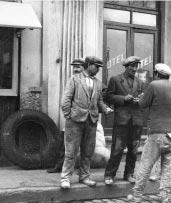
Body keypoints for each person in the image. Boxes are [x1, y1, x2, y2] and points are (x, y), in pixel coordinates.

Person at [127, 63, 171, 203]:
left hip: (156, 132)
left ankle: (137, 194)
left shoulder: (154, 85)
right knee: (167, 166)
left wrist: (139, 98)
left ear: (157, 74)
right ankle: (164, 196)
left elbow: (142, 104)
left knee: (146, 163)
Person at [60, 56, 112, 189]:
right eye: (96, 66)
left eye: (99, 67)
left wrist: (105, 109)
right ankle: (65, 178)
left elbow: (99, 100)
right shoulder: (74, 79)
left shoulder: (98, 83)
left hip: (91, 121)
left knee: (88, 151)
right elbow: (66, 99)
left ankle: (84, 176)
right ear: (88, 65)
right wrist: (69, 116)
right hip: (75, 121)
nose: (98, 69)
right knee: (71, 151)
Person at [104, 56, 145, 185]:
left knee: (133, 150)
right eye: (132, 66)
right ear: (126, 67)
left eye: (136, 66)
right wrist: (123, 98)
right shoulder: (115, 80)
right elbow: (108, 97)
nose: (134, 69)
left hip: (136, 121)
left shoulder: (141, 82)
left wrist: (141, 100)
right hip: (121, 120)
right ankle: (109, 175)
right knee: (117, 149)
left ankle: (129, 174)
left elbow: (145, 100)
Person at [47, 58, 84, 174]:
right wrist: (68, 114)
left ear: (85, 68)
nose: (76, 69)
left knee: (84, 146)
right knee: (65, 143)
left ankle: (81, 171)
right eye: (74, 67)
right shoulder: (71, 80)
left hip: (86, 118)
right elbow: (67, 98)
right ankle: (60, 166)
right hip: (73, 118)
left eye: (79, 67)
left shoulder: (90, 81)